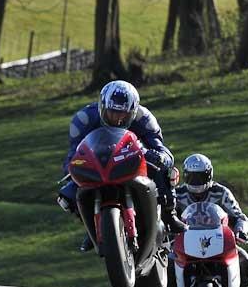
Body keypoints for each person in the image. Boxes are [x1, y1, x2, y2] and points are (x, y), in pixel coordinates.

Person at [57, 80, 187, 251]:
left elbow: (162, 150)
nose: (118, 119)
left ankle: (169, 214)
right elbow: (73, 153)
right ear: (102, 108)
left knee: (167, 172)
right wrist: (71, 167)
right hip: (98, 165)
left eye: (124, 115)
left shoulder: (145, 118)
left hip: (133, 162)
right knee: (66, 196)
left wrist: (160, 157)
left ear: (132, 113)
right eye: (112, 113)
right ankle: (91, 229)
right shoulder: (84, 119)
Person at [176, 153, 248, 287]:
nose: (196, 182)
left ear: (209, 175)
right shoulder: (178, 194)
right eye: (192, 177)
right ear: (185, 176)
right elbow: (165, 216)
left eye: (200, 177)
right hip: (186, 242)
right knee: (167, 261)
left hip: (219, 240)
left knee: (246, 262)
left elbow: (239, 216)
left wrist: (240, 230)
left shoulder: (221, 192)